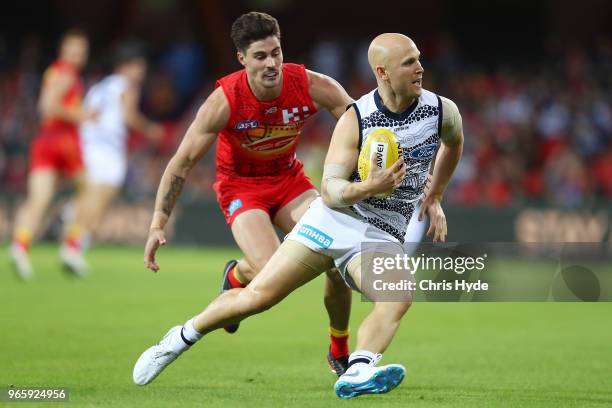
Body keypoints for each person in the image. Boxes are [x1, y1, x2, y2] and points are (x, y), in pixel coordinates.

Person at [133, 33, 463, 399]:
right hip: (326, 215)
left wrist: (434, 194)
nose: (420, 68)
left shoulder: (441, 110)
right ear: (383, 73)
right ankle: (180, 337)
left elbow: (454, 141)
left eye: (418, 59)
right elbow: (331, 190)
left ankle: (354, 368)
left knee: (398, 295)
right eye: (409, 63)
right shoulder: (357, 118)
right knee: (260, 295)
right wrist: (157, 223)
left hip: (371, 229)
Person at [141, 12, 354, 375]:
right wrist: (158, 222)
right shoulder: (224, 101)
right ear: (242, 58)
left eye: (276, 52)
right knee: (272, 272)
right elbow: (182, 162)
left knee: (338, 255)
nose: (271, 63)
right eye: (260, 56)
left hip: (290, 182)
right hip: (241, 188)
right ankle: (239, 276)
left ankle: (339, 348)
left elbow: (355, 119)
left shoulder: (310, 84)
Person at [10, 29, 94, 279]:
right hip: (63, 140)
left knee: (40, 198)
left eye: (80, 51)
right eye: (73, 51)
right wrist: (81, 115)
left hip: (43, 141)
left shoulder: (55, 71)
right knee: (89, 191)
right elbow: (47, 106)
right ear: (63, 51)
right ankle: (71, 245)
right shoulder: (66, 74)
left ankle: (21, 245)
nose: (77, 56)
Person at [68, 42, 162, 264]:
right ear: (126, 66)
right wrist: (151, 129)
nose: (142, 72)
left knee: (93, 194)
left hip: (88, 143)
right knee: (103, 195)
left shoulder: (101, 85)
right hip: (107, 149)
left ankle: (72, 232)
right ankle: (75, 243)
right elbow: (128, 116)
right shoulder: (127, 85)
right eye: (139, 66)